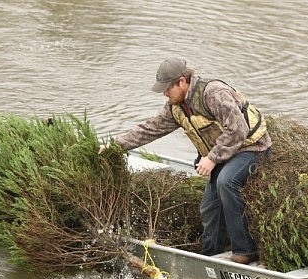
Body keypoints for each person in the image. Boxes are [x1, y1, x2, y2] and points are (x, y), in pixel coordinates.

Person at [100, 57, 271, 264]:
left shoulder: (214, 93)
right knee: (209, 207)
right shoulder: (176, 106)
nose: (164, 93)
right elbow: (149, 129)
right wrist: (114, 145)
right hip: (225, 154)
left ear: (182, 81)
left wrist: (211, 158)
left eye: (167, 88)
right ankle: (211, 257)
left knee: (226, 182)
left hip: (252, 148)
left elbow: (238, 130)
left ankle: (245, 250)